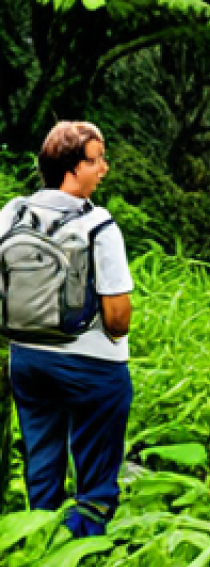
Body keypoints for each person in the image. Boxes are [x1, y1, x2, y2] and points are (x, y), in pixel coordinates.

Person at [0, 121, 133, 536]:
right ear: (71, 169)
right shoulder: (99, 226)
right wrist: (113, 340)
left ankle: (38, 541)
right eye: (96, 161)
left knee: (41, 461)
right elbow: (118, 315)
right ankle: (82, 552)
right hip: (93, 365)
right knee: (95, 476)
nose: (104, 168)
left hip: (27, 358)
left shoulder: (12, 214)